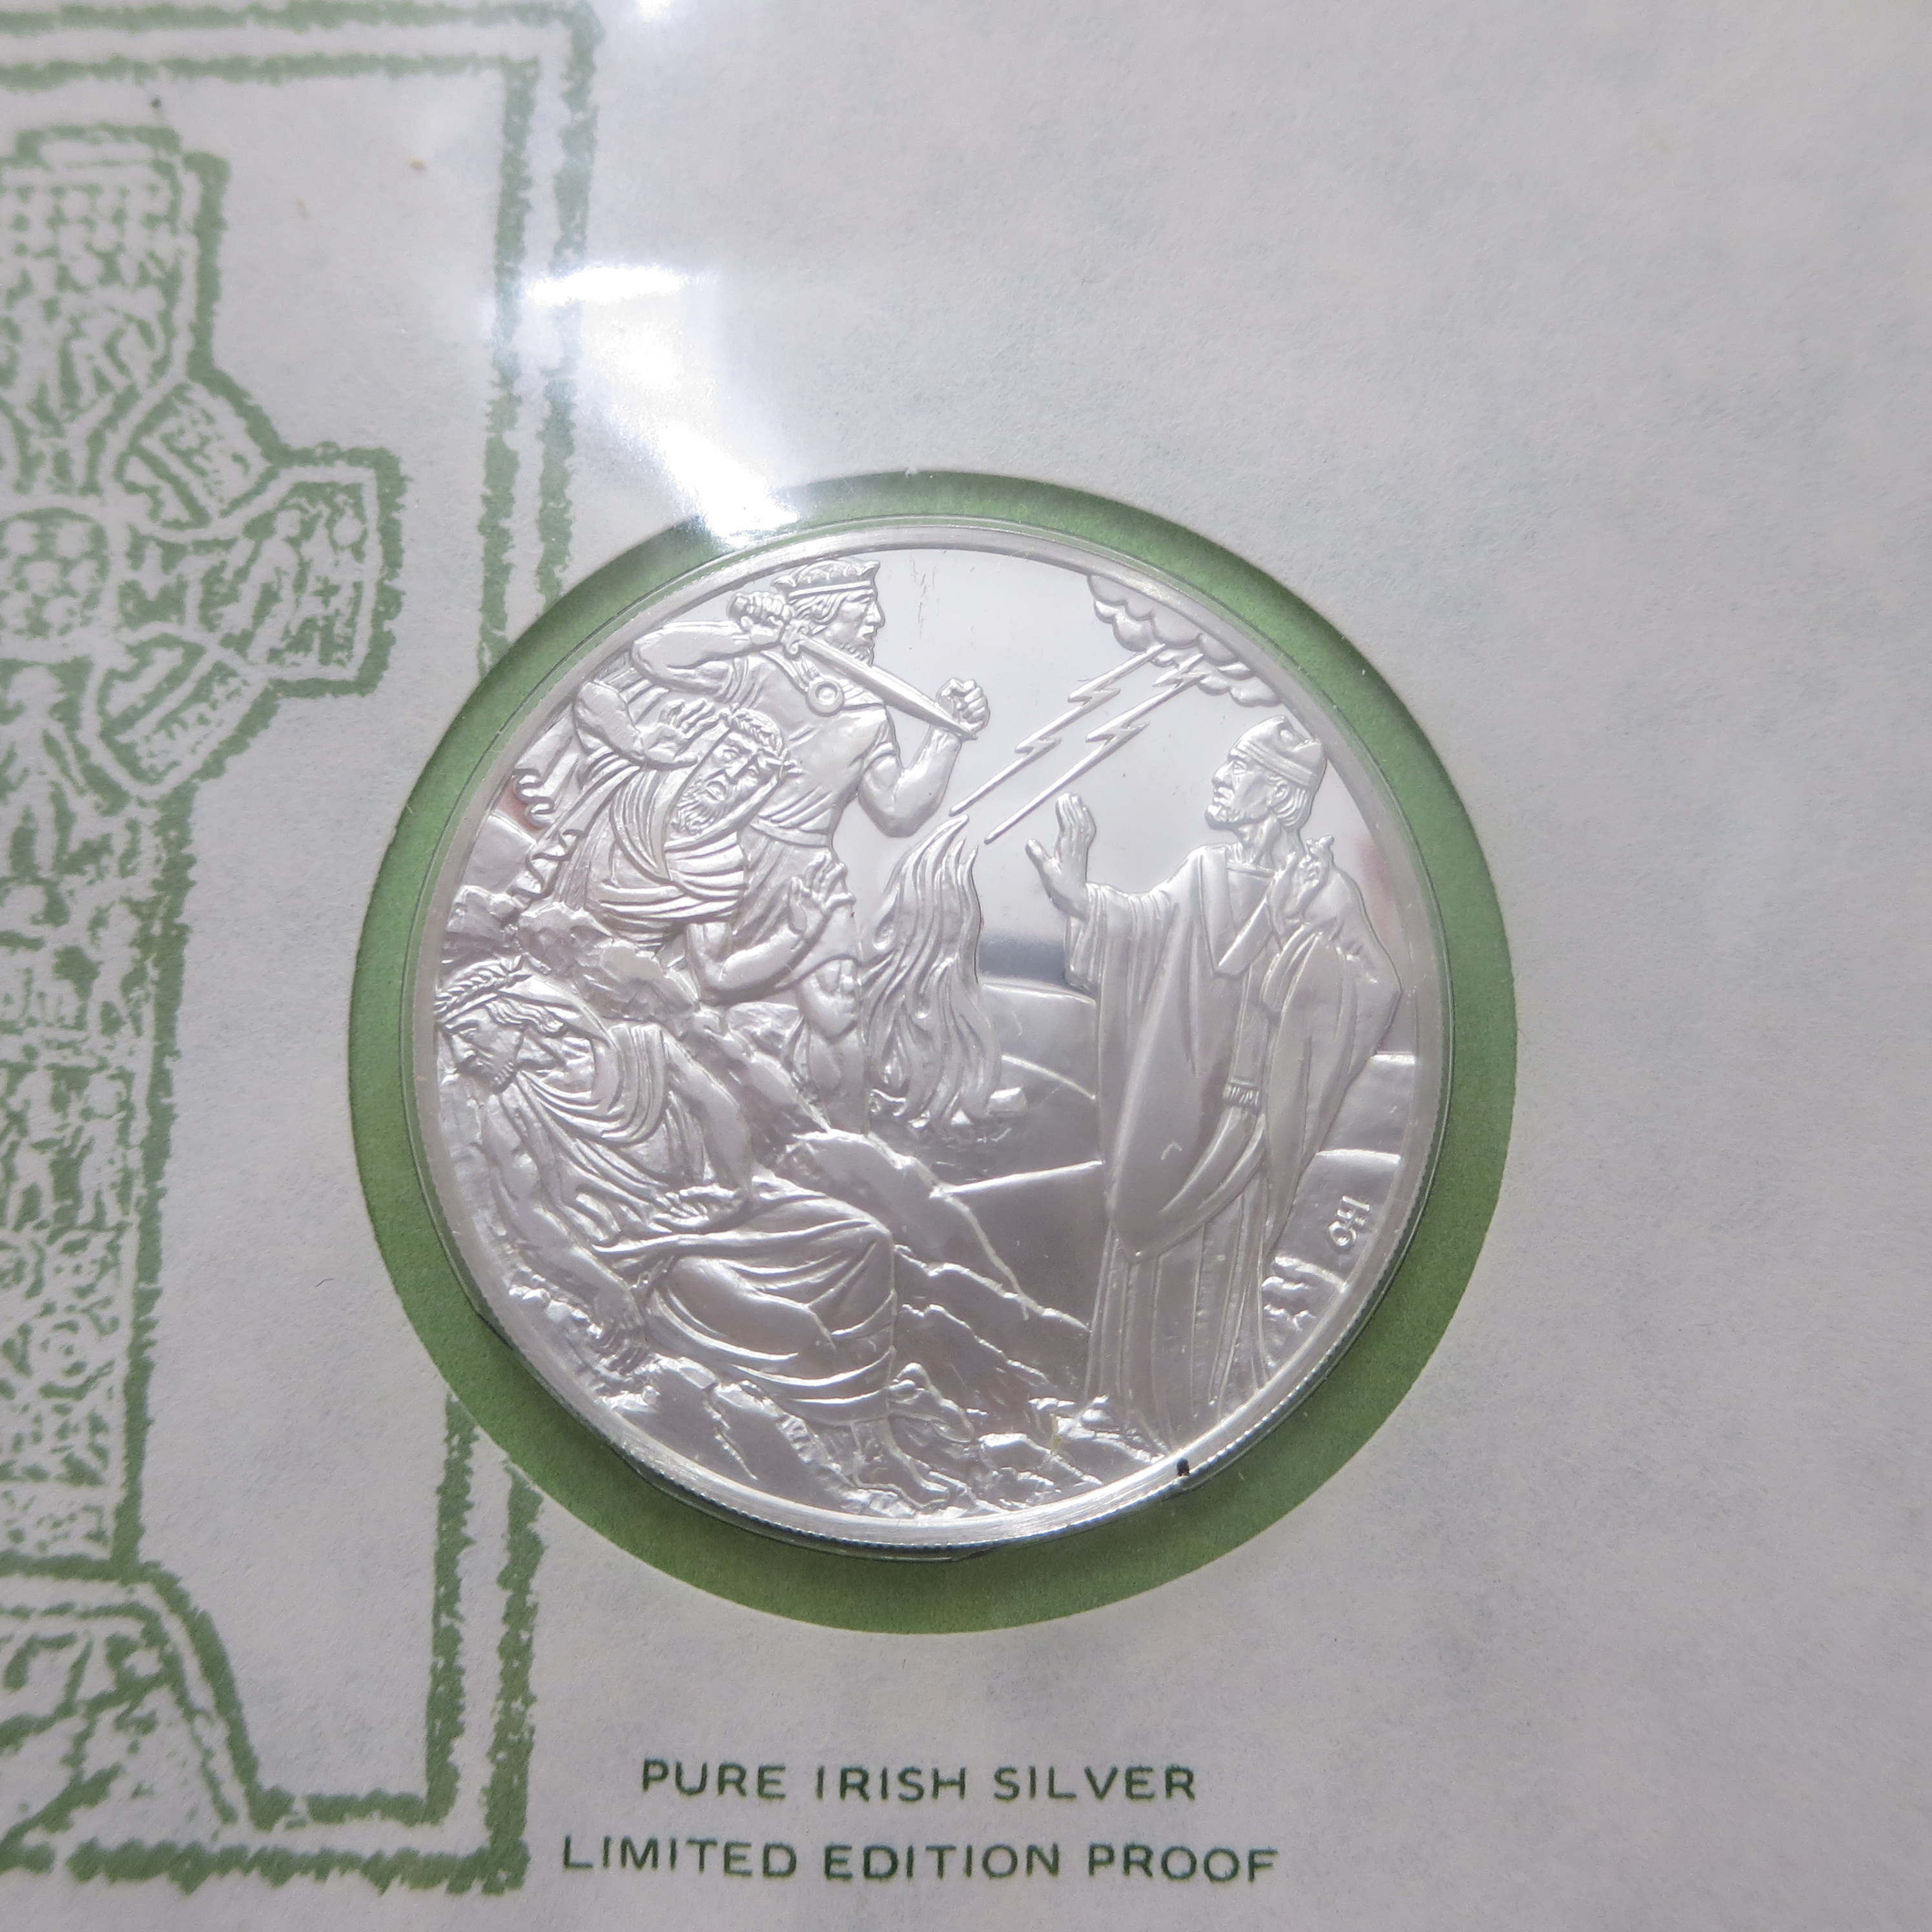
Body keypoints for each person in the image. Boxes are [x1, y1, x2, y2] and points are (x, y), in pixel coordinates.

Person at [1025, 714, 1400, 1450]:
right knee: (1141, 1244)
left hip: (1250, 1113)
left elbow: (1373, 989)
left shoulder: (1323, 892)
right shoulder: (1203, 872)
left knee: (1210, 1259)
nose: (1222, 777)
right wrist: (1081, 899)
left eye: (1240, 767)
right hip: (1173, 1105)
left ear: (1282, 797)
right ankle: (1120, 1403)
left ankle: (1195, 1414)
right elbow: (1140, 928)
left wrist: (1293, 937)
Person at [627, 559, 989, 1130]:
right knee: (700, 997)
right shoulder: (760, 673)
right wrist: (748, 637)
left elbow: (898, 811)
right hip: (733, 859)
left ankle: (851, 1143)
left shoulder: (870, 712)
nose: (877, 619)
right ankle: (701, 1130)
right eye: (861, 607)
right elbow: (651, 655)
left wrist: (945, 736)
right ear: (821, 615)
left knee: (838, 1009)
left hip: (812, 868)